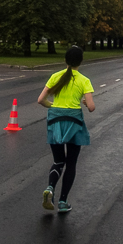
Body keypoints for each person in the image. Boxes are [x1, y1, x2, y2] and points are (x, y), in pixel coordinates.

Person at [38, 45, 95, 214]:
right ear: (81, 61)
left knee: (58, 160)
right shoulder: (84, 80)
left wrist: (54, 106)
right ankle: (63, 201)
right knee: (71, 163)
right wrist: (85, 102)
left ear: (65, 60)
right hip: (73, 123)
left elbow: (41, 99)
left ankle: (50, 187)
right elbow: (91, 107)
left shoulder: (55, 76)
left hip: (55, 121)